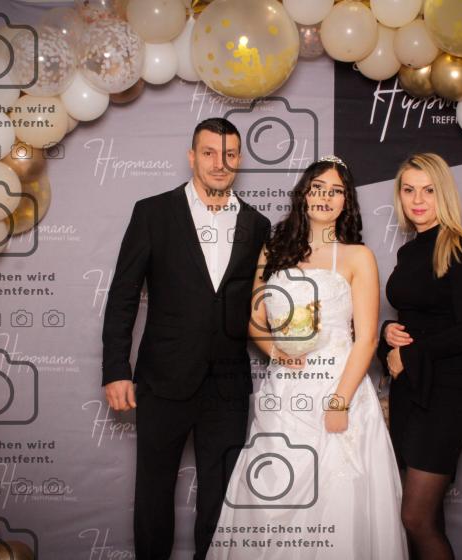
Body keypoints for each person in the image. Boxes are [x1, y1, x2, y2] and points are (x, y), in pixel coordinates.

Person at [209, 156, 408, 559]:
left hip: (338, 386)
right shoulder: (273, 250)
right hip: (284, 391)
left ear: (346, 202)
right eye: (317, 188)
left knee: (337, 498)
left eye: (335, 191)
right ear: (303, 194)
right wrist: (277, 352)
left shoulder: (358, 257)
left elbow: (367, 339)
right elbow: (255, 321)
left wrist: (340, 402)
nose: (325, 197)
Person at [101, 117, 271, 560]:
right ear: (192, 156)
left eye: (229, 154)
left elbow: (261, 303)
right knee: (153, 493)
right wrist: (116, 369)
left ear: (239, 160)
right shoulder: (153, 212)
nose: (220, 163)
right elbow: (123, 295)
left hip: (228, 385)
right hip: (163, 378)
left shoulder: (257, 224)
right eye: (210, 153)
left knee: (221, 498)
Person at [376, 153, 462, 560]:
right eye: (409, 190)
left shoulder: (459, 246)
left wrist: (412, 354)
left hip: (446, 392)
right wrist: (387, 335)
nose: (418, 200)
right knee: (427, 517)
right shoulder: (409, 252)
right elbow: (414, 318)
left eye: (428, 190)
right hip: (410, 390)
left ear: (444, 194)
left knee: (416, 518)